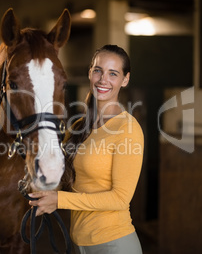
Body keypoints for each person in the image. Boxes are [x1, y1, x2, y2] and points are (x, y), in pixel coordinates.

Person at [29, 44, 144, 254]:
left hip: (114, 243)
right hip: (80, 242)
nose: (103, 79)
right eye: (98, 70)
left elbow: (120, 198)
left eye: (113, 73)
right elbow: (68, 178)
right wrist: (43, 190)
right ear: (90, 72)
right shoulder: (79, 126)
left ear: (125, 79)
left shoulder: (127, 129)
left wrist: (60, 200)